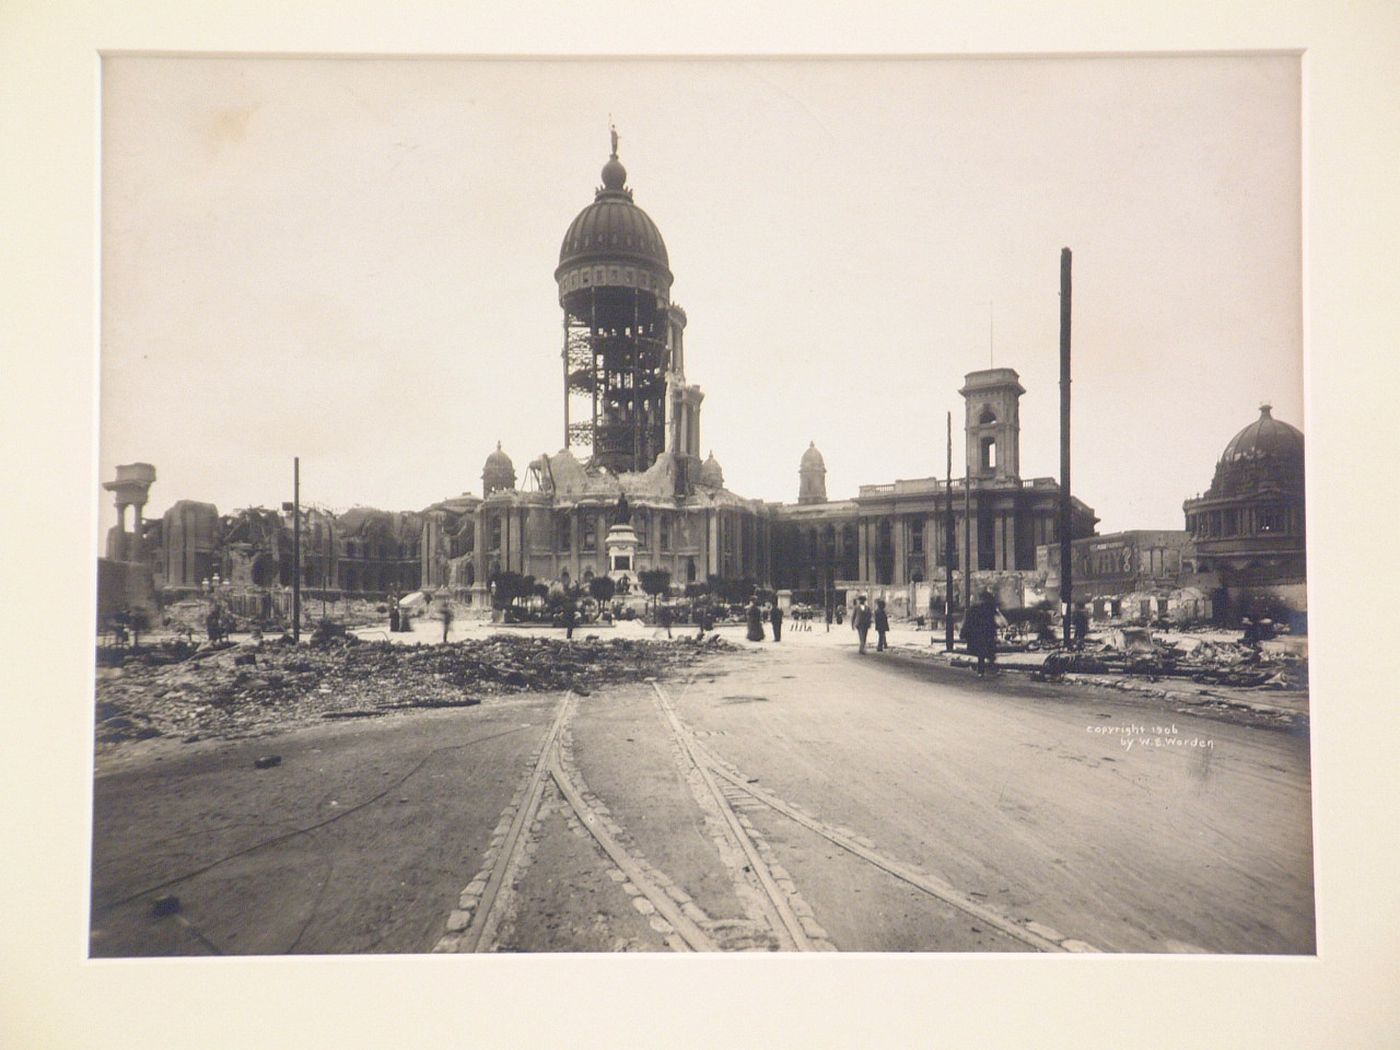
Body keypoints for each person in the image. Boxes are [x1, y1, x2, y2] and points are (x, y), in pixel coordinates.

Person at [963, 590, 1000, 676]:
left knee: (982, 653)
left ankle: (982, 670)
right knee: (988, 652)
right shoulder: (990, 608)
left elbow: (968, 621)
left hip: (979, 634)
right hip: (987, 634)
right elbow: (993, 622)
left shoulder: (975, 608)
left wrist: (965, 632)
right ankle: (989, 668)